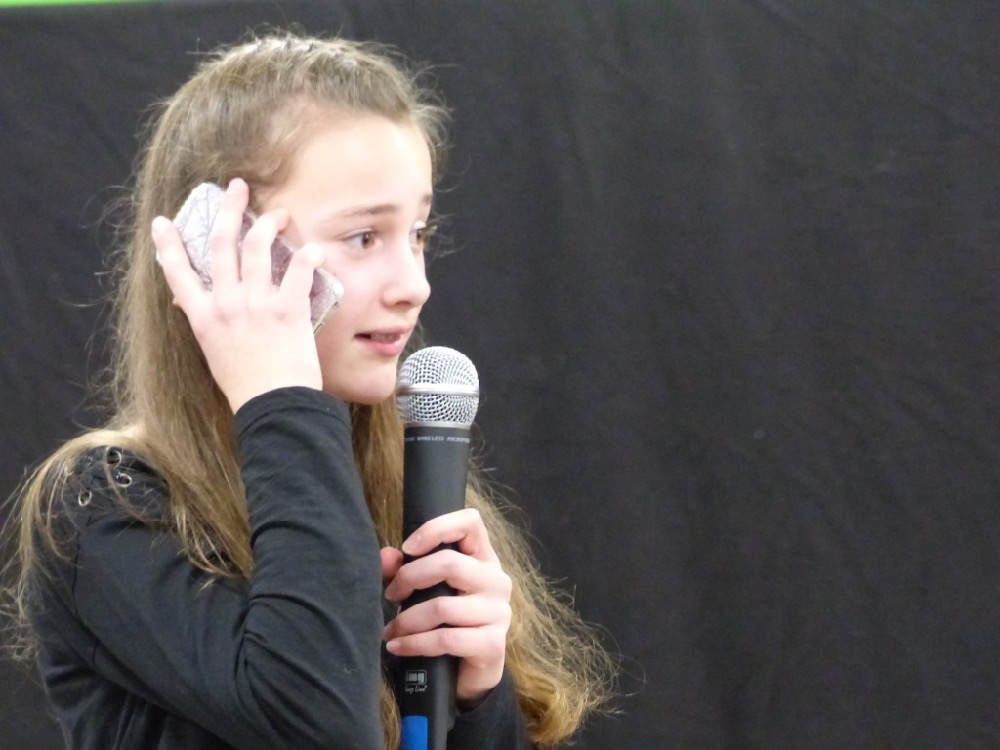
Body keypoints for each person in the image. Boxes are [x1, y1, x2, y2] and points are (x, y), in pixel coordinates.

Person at [3, 32, 615, 750]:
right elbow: (322, 724)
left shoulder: (394, 478)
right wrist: (278, 395)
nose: (414, 284)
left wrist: (480, 701)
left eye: (418, 232)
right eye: (364, 238)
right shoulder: (104, 506)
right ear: (216, 251)